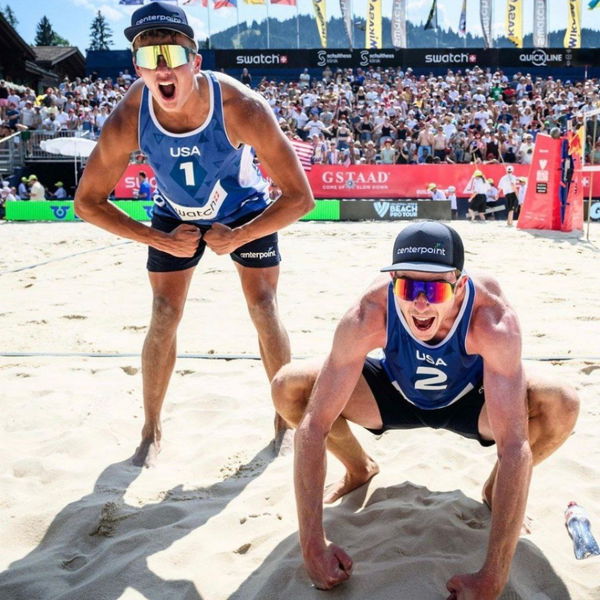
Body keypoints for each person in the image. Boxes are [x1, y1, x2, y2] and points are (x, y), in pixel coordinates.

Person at [272, 221, 579, 599]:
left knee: (562, 402)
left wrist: (493, 575)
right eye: (408, 286)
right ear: (393, 283)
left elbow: (514, 446)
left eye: (433, 289)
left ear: (460, 286)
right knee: (289, 387)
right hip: (396, 392)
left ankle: (495, 490)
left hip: (469, 398)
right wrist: (313, 547)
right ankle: (359, 468)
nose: (419, 303)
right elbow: (314, 425)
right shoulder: (371, 311)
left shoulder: (492, 320)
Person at [74, 1, 314, 467]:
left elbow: (300, 199)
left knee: (264, 308)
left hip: (242, 208)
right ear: (137, 67)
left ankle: (284, 425)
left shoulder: (241, 106)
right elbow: (87, 202)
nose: (162, 68)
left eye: (172, 55)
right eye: (148, 57)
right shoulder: (129, 116)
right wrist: (159, 239)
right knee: (164, 314)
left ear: (195, 61)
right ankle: (150, 430)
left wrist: (241, 235)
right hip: (173, 214)